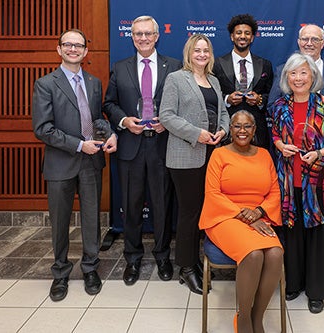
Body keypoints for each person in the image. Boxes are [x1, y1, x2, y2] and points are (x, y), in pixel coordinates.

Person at [32, 29, 117, 301]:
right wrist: (80, 144)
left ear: (85, 52)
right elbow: (43, 129)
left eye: (78, 45)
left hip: (91, 163)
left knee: (91, 219)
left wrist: (110, 132)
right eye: (67, 45)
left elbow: (94, 119)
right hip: (61, 163)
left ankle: (91, 268)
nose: (73, 49)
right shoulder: (45, 84)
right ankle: (60, 273)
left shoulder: (93, 83)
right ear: (59, 49)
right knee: (60, 222)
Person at [268, 24, 324, 279]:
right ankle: (294, 273)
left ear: (323, 41)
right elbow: (273, 111)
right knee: (292, 218)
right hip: (290, 167)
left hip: (323, 161)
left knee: (322, 213)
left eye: (314, 39)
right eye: (305, 38)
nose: (309, 42)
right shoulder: (281, 73)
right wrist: (278, 143)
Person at [103, 15, 181, 286]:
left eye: (148, 34)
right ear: (131, 36)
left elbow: (182, 103)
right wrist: (124, 121)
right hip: (131, 146)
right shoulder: (120, 67)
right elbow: (109, 103)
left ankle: (162, 256)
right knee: (132, 206)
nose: (144, 38)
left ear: (157, 36)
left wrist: (168, 123)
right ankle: (132, 258)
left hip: (162, 145)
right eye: (138, 34)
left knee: (162, 205)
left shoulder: (174, 66)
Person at [271, 53, 324, 313]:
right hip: (288, 181)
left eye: (303, 73)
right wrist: (281, 145)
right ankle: (293, 284)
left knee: (315, 238)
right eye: (293, 74)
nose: (298, 78)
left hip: (317, 183)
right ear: (286, 78)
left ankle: (316, 292)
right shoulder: (280, 105)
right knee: (292, 234)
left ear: (313, 76)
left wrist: (318, 153)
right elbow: (274, 134)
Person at [199, 110, 283, 333]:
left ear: (254, 130)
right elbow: (213, 193)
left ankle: (258, 317)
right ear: (231, 129)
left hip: (259, 214)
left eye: (247, 126)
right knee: (254, 254)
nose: (242, 130)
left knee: (275, 254)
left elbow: (275, 191)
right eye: (237, 126)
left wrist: (258, 212)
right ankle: (244, 318)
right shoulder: (219, 155)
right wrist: (244, 216)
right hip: (224, 217)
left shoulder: (265, 155)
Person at [159, 34, 229, 295]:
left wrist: (223, 130)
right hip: (185, 155)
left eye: (206, 50)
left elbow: (223, 112)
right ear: (189, 53)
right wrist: (195, 133)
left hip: (212, 154)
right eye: (197, 50)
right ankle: (186, 268)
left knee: (204, 211)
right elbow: (166, 116)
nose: (202, 54)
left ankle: (195, 261)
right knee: (189, 213)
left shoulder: (213, 80)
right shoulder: (176, 79)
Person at [213, 14, 274, 151]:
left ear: (252, 38)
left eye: (247, 33)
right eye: (238, 33)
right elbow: (211, 94)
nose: (242, 36)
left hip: (257, 130)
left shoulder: (265, 64)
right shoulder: (217, 64)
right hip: (227, 127)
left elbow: (271, 95)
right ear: (232, 36)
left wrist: (259, 100)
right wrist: (227, 99)